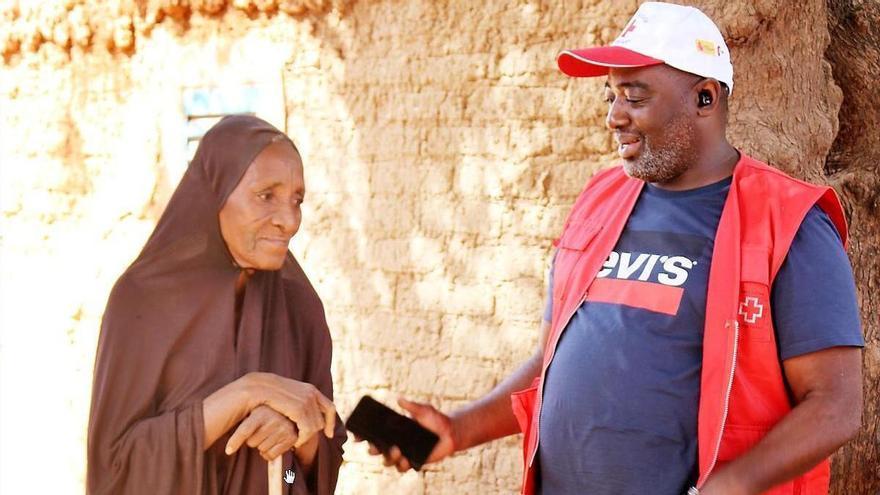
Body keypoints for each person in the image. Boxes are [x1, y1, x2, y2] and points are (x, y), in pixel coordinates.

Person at [364, 3, 864, 494]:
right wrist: (459, 429)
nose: (614, 117)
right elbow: (553, 360)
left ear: (705, 98)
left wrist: (729, 486)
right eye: (611, 96)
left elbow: (834, 406)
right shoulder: (599, 199)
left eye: (635, 96)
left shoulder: (789, 221)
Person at [87, 115, 346, 494]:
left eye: (297, 200)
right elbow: (115, 468)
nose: (289, 220)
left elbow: (317, 467)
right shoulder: (142, 300)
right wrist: (246, 394)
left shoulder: (299, 306)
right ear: (216, 194)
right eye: (266, 196)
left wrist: (298, 436)